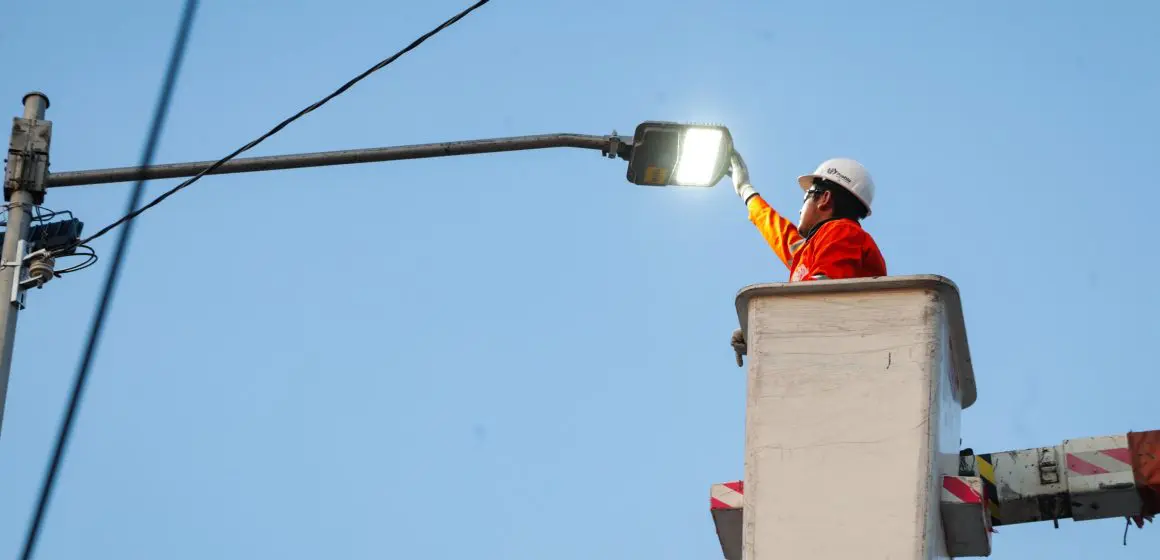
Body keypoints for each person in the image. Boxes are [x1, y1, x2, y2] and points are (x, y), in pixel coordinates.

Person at [729, 151, 887, 365]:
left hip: (843, 358)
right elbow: (779, 233)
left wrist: (763, 328)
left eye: (806, 197)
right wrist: (745, 190)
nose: (800, 208)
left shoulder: (842, 233)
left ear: (824, 198)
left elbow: (820, 295)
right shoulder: (818, 246)